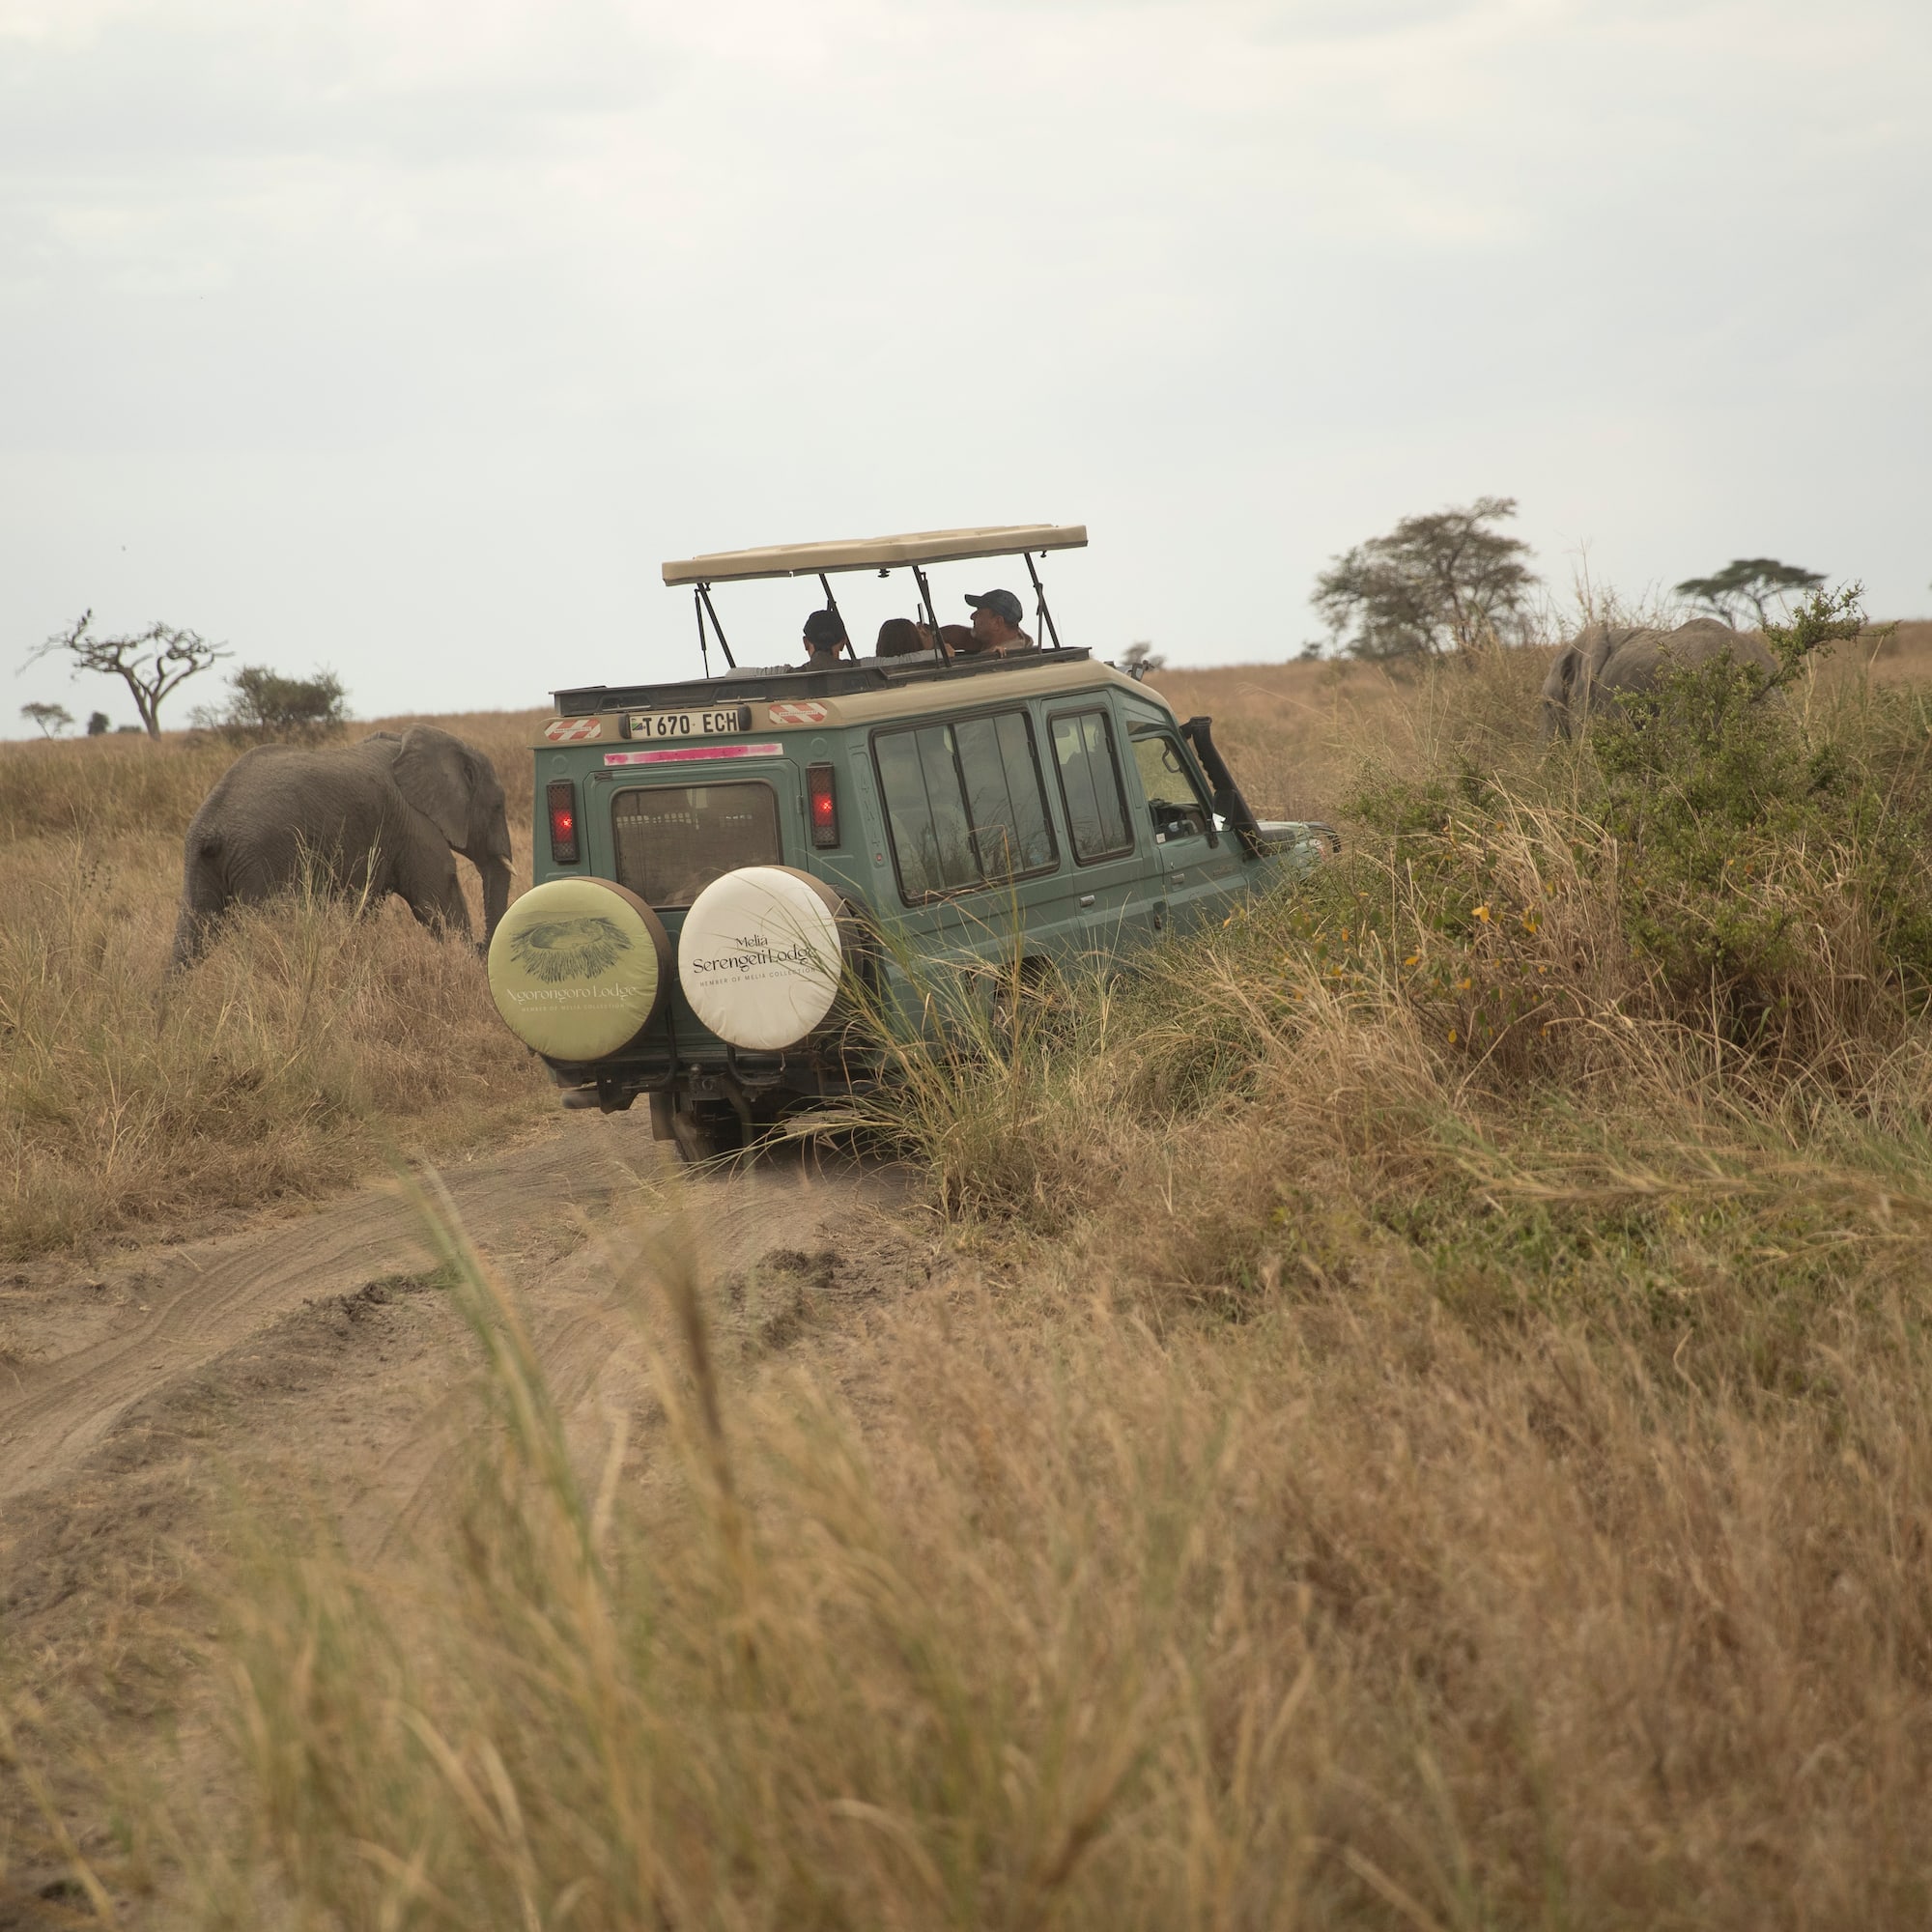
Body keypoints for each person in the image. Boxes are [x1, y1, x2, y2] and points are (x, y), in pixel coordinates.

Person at [962, 588, 1037, 657]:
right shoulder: (1018, 641)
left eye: (979, 613)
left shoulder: (1002, 661)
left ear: (997, 623)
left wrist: (987, 656)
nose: (972, 616)